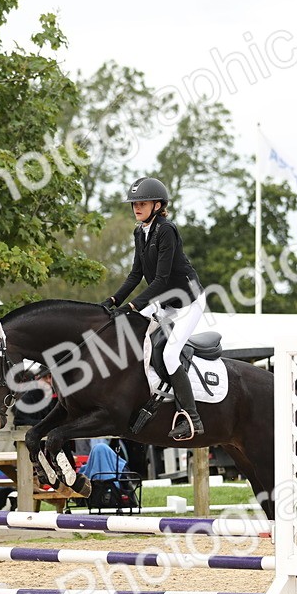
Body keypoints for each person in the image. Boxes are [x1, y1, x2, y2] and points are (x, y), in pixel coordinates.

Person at [101, 177, 206, 440]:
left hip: (188, 303)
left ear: (157, 205)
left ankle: (192, 419)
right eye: (134, 204)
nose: (137, 207)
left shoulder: (166, 230)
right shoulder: (140, 232)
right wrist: (113, 300)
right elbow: (135, 274)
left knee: (170, 354)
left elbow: (161, 280)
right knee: (131, 334)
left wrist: (133, 305)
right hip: (166, 301)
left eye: (142, 203)